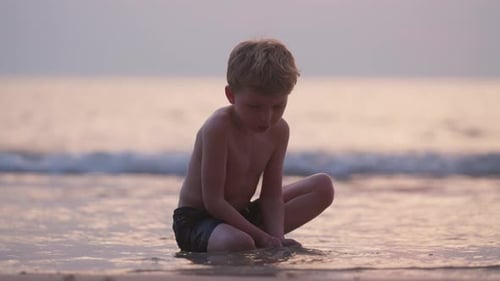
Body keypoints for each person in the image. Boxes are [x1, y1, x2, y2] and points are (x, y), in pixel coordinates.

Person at [172, 38, 334, 252]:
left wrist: (276, 237)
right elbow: (214, 202)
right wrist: (261, 237)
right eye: (255, 106)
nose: (266, 118)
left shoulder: (279, 130)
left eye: (278, 106)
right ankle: (249, 237)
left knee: (323, 186)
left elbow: (272, 196)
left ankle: (253, 237)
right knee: (238, 242)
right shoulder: (218, 127)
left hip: (240, 215)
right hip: (198, 221)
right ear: (231, 95)